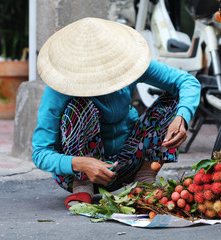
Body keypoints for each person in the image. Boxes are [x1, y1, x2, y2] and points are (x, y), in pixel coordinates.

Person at [32, 17, 201, 209]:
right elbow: (40, 153)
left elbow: (187, 82)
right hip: (77, 173)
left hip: (127, 163)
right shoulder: (59, 88)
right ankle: (83, 184)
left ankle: (145, 177)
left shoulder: (128, 65)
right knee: (77, 107)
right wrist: (81, 164)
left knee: (176, 99)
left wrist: (182, 118)